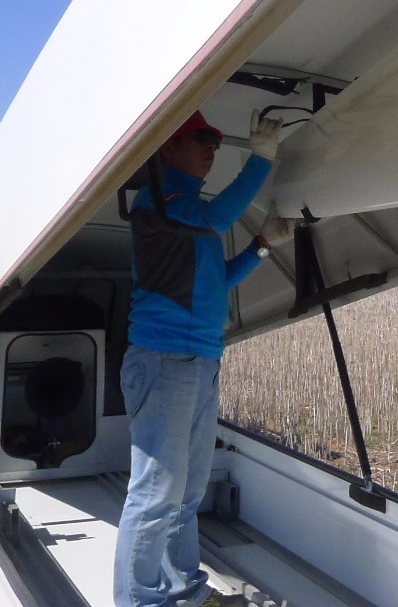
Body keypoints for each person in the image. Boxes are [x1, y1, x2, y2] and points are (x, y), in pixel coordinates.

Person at [114, 109, 286, 607]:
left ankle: (184, 592)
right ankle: (139, 602)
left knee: (186, 492)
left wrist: (261, 247)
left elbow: (217, 280)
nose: (212, 148)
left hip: (200, 363)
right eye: (200, 139)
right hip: (164, 362)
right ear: (168, 148)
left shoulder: (189, 213)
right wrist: (261, 160)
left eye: (214, 139)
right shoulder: (160, 203)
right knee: (155, 495)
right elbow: (215, 217)